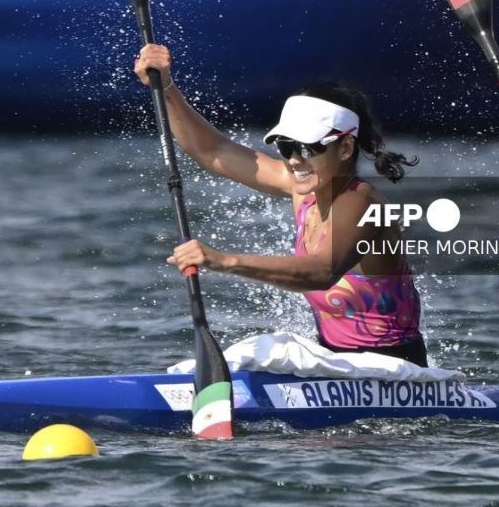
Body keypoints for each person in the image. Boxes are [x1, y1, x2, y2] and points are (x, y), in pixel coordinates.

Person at [134, 44, 429, 366]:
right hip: (338, 367)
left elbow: (321, 271)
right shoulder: (305, 186)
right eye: (286, 145)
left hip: (395, 373)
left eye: (306, 147)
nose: (293, 160)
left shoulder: (362, 204)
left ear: (345, 147)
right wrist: (166, 88)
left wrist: (223, 260)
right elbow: (212, 150)